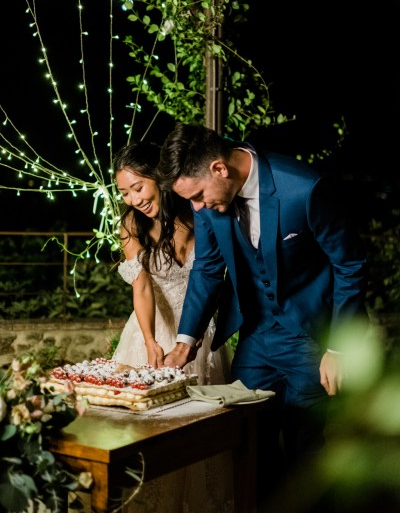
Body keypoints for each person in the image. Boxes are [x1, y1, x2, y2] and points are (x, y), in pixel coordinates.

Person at [157, 122, 369, 509]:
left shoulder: (303, 189)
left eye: (200, 196)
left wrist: (339, 349)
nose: (198, 209)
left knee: (306, 454)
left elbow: (350, 263)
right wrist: (184, 342)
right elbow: (207, 268)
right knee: (250, 446)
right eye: (192, 201)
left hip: (310, 337)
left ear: (220, 168)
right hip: (255, 338)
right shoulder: (203, 199)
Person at [111, 141, 234, 513]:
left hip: (201, 334)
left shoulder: (200, 211)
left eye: (138, 187)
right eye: (125, 193)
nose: (133, 199)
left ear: (159, 178)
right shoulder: (132, 224)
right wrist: (149, 341)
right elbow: (143, 287)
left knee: (200, 432)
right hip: (151, 331)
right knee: (148, 431)